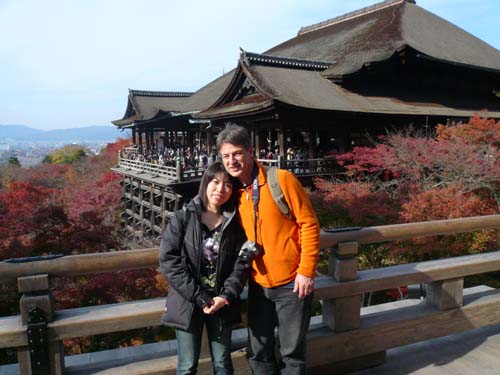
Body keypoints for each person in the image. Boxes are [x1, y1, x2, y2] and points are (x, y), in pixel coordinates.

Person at [217, 124, 320, 375]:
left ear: (251, 152)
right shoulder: (233, 192)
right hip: (258, 285)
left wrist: (306, 270)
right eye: (226, 156)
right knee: (259, 350)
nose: (232, 161)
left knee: (292, 352)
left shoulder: (281, 180)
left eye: (237, 153)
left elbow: (309, 224)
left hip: (292, 284)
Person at [159, 161, 248, 375]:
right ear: (205, 183)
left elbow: (241, 264)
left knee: (223, 364)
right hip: (188, 301)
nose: (220, 189)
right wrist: (199, 296)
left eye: (227, 184)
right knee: (187, 365)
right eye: (215, 182)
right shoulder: (184, 217)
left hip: (221, 302)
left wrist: (226, 295)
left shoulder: (234, 223)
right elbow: (168, 260)